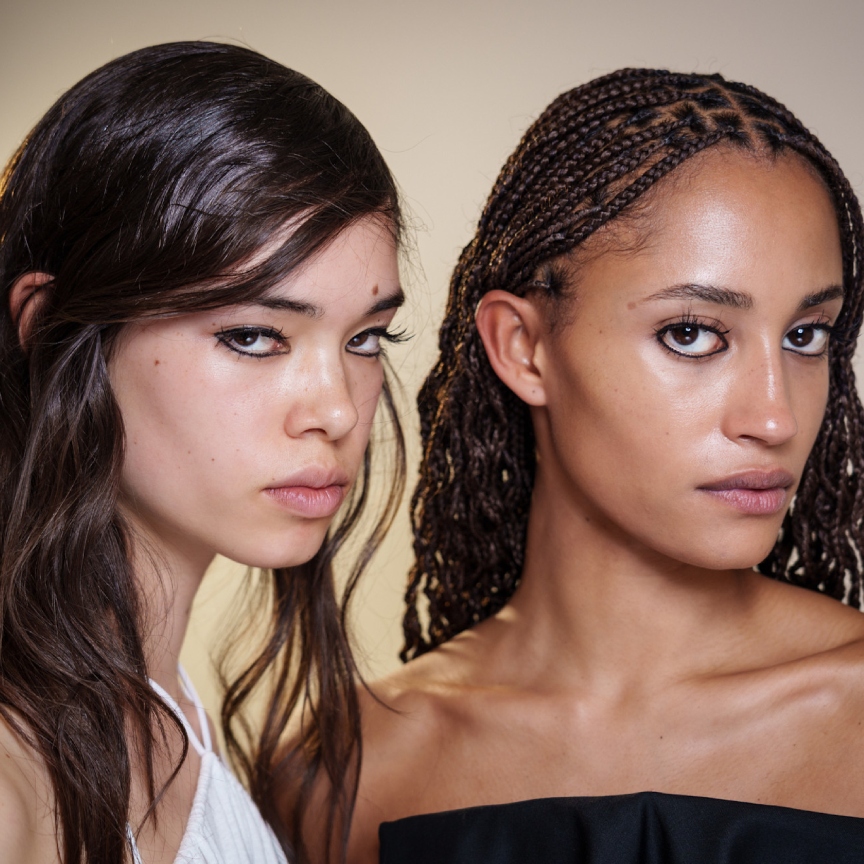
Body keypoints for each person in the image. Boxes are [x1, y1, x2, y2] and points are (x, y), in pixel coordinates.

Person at [340, 69, 864, 863]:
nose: (775, 418)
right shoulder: (349, 771)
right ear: (524, 347)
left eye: (806, 336)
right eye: (693, 333)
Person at [0, 41, 406, 864]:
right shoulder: (13, 769)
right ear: (52, 333)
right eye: (255, 335)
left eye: (366, 337)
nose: (335, 409)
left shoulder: (165, 708)